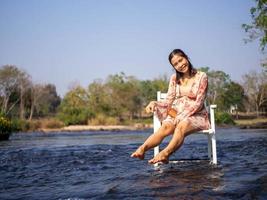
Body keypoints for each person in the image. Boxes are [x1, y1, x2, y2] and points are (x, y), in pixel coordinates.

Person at [131, 49, 210, 164]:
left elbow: (199, 102)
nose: (180, 65)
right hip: (176, 113)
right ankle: (142, 149)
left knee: (182, 126)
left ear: (186, 57)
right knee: (165, 128)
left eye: (181, 60)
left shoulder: (201, 76)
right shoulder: (174, 78)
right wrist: (154, 103)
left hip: (196, 114)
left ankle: (165, 154)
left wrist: (182, 116)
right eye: (176, 64)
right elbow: (168, 101)